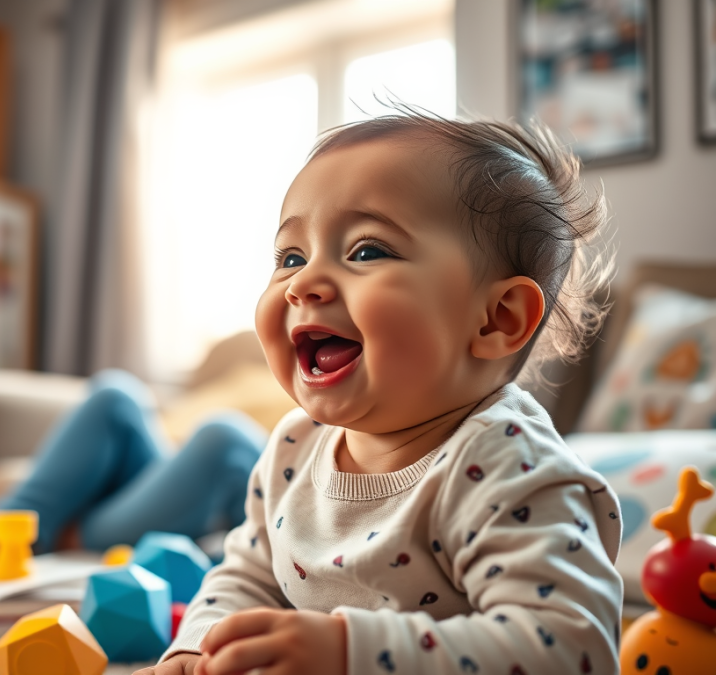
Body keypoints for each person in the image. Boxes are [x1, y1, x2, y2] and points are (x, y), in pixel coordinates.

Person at [138, 108, 623, 675]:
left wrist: (349, 652)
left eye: (367, 251)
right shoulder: (295, 446)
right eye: (290, 257)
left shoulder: (507, 464)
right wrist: (200, 646)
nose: (303, 283)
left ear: (496, 319)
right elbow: (247, 574)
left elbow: (570, 649)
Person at [0, 369, 268, 563]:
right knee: (116, 395)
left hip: (235, 502)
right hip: (182, 469)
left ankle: (55, 539)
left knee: (225, 438)